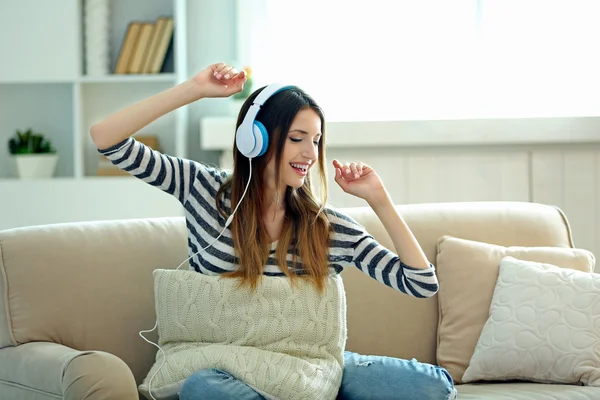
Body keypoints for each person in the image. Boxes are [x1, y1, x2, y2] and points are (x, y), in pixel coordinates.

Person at [90, 62, 457, 400]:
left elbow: (421, 284)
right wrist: (194, 89)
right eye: (298, 138)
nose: (310, 153)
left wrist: (379, 200)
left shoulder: (326, 227)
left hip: (306, 368)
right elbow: (107, 138)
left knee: (431, 386)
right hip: (230, 368)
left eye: (315, 140)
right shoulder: (202, 189)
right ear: (255, 138)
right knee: (204, 388)